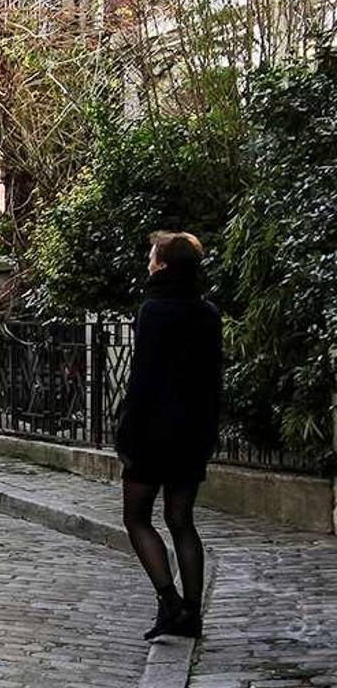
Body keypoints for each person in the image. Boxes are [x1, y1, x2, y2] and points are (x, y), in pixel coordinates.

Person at [117, 231, 222, 641]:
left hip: (151, 433)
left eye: (151, 255)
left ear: (161, 264)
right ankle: (192, 615)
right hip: (192, 431)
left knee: (136, 516)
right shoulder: (208, 313)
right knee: (181, 519)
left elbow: (143, 380)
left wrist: (126, 433)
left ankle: (169, 601)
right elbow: (212, 380)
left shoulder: (153, 310)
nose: (147, 261)